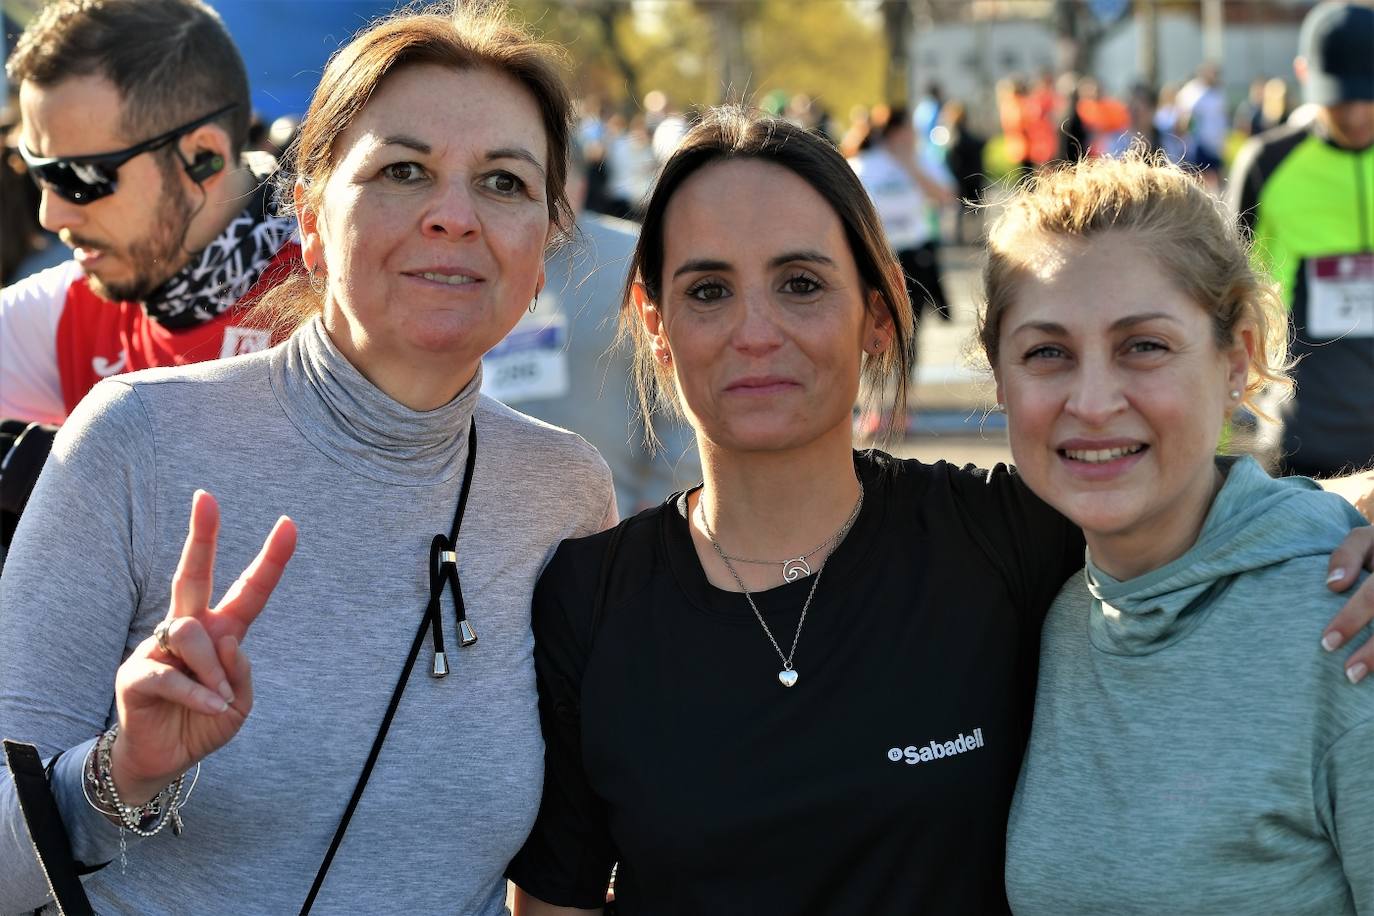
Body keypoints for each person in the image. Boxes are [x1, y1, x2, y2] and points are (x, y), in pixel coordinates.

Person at [504, 108, 1374, 915]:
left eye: (801, 282)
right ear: (655, 325)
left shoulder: (1007, 539)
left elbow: (1191, 506)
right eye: (707, 291)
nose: (755, 331)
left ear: (878, 314)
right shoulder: (588, 601)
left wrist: (1353, 515)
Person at [0, 4, 615, 913]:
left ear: (542, 252)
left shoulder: (566, 493)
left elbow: (562, 862)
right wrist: (117, 774)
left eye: (504, 183)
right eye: (403, 171)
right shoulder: (133, 442)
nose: (455, 216)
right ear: (311, 218)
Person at [996, 153, 1372, 913]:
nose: (1093, 401)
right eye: (1048, 353)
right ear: (1001, 380)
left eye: (1144, 346)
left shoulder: (1344, 624)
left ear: (1238, 359)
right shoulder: (1058, 616)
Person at [1, 0, 299, 427]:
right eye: (37, 172)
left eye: (79, 177)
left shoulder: (344, 304)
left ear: (203, 157)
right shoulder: (72, 307)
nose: (51, 215)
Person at [483, 145, 700, 515]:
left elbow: (683, 394)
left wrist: (665, 507)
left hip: (614, 523)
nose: (540, 195)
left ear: (580, 185)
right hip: (488, 524)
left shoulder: (633, 260)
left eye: (554, 179)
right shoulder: (469, 258)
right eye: (512, 181)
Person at [1227, 0, 1374, 479]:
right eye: (1339, 98)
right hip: (1301, 437)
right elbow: (1221, 301)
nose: (1354, 115)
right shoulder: (1268, 163)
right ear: (1302, 73)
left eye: (1367, 95)